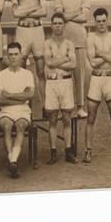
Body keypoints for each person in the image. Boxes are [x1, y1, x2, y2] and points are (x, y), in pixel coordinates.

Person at [83, 8, 111, 163]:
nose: (101, 23)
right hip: (96, 79)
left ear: (107, 20)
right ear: (95, 22)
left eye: (103, 20)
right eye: (98, 21)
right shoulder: (90, 38)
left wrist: (100, 53)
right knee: (91, 117)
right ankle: (88, 151)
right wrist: (107, 55)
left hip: (110, 79)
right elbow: (92, 62)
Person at [0, 42, 35, 178]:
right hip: (5, 110)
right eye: (10, 54)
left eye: (16, 54)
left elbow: (30, 95)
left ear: (21, 56)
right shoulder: (0, 75)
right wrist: (20, 97)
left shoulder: (27, 74)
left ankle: (13, 160)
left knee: (21, 126)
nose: (13, 57)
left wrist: (10, 95)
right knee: (6, 126)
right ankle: (13, 161)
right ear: (7, 57)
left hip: (23, 110)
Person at [54, 0, 91, 118]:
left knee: (79, 74)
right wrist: (76, 12)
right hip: (63, 39)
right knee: (62, 73)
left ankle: (80, 107)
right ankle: (63, 107)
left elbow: (84, 18)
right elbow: (59, 17)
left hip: (79, 39)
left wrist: (68, 16)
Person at [9, 0, 46, 103]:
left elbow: (44, 11)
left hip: (37, 30)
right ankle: (24, 105)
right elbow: (15, 14)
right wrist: (33, 8)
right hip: (22, 30)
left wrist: (24, 10)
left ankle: (44, 105)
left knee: (41, 71)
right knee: (21, 68)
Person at [44, 13, 78, 164]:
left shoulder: (69, 44)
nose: (57, 26)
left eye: (60, 23)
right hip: (51, 83)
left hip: (66, 82)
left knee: (66, 118)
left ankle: (68, 151)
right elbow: (48, 63)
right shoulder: (47, 43)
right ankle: (52, 152)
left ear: (64, 25)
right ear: (51, 25)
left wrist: (56, 62)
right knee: (52, 119)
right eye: (55, 23)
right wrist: (65, 58)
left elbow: (73, 65)